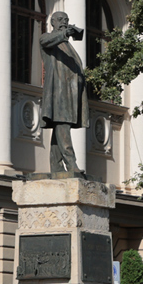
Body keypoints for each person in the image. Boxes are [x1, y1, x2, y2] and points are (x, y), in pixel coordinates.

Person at [38, 12, 89, 175]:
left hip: (70, 93)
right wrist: (65, 33)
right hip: (58, 93)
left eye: (66, 20)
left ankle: (56, 166)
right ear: (52, 22)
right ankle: (71, 164)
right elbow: (47, 41)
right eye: (60, 20)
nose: (64, 23)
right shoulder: (48, 38)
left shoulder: (67, 44)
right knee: (63, 126)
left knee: (60, 128)